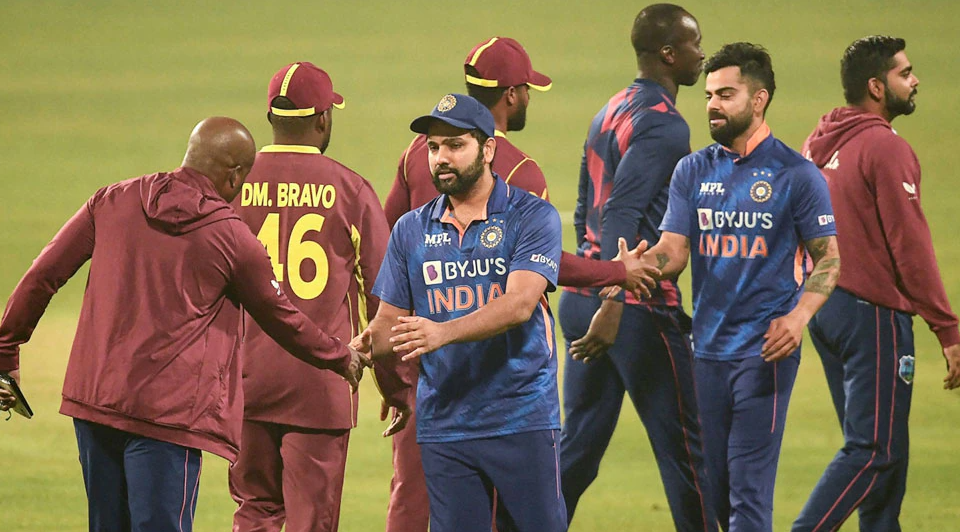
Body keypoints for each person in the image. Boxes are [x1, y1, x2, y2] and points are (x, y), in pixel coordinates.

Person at [0, 117, 369, 532]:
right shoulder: (231, 237)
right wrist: (341, 356)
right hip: (169, 418)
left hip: (95, 405)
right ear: (235, 175)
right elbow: (282, 317)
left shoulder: (112, 200)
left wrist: (6, 352)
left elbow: (42, 276)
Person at [379, 37, 655, 532]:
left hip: (440, 370)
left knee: (409, 496)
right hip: (468, 384)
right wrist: (616, 272)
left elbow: (522, 275)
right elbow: (543, 268)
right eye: (526, 89)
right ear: (511, 94)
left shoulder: (412, 156)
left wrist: (396, 367)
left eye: (452, 144)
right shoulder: (522, 169)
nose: (440, 155)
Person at [643, 43, 842, 532]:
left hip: (765, 353)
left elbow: (829, 259)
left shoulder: (797, 175)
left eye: (725, 94)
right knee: (717, 489)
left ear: (759, 99)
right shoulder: (693, 170)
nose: (712, 104)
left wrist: (797, 319)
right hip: (707, 352)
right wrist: (631, 269)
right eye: (709, 94)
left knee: (748, 493)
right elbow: (673, 251)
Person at [358, 93, 567, 532]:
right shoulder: (411, 230)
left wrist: (441, 332)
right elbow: (389, 322)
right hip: (445, 423)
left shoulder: (531, 216)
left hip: (521, 417)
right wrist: (361, 349)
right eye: (434, 147)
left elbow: (520, 304)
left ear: (487, 149)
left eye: (455, 145)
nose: (441, 158)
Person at [557, 5, 715, 531]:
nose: (701, 54)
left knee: (577, 452)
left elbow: (585, 209)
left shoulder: (611, 108)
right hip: (634, 309)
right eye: (694, 44)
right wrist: (614, 299)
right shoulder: (665, 125)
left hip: (584, 296)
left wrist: (591, 285)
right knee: (689, 453)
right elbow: (622, 213)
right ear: (668, 54)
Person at [792, 36, 960, 532]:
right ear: (876, 86)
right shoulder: (886, 147)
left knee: (887, 461)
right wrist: (947, 329)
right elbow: (911, 248)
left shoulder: (821, 139)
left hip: (827, 307)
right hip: (872, 316)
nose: (915, 80)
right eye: (904, 73)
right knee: (873, 450)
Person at [227, 63, 389, 532]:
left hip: (244, 380)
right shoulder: (350, 188)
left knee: (254, 510)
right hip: (321, 382)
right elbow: (381, 296)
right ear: (322, 119)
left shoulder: (231, 184)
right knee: (311, 520)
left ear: (270, 117)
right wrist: (396, 385)